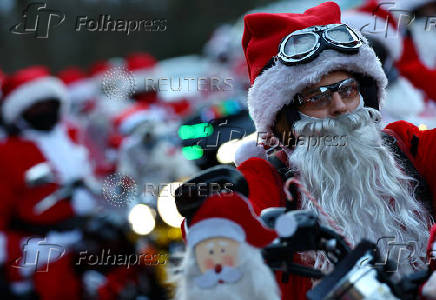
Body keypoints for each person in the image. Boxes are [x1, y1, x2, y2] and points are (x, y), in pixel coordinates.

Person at [231, 2, 436, 298]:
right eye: (317, 97)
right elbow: (224, 229)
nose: (340, 106)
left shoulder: (406, 145)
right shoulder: (269, 177)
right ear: (286, 117)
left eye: (348, 90)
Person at [0, 65, 96, 297]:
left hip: (89, 230)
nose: (44, 110)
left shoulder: (75, 134)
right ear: (20, 112)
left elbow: (102, 170)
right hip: (41, 245)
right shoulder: (8, 152)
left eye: (49, 103)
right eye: (36, 107)